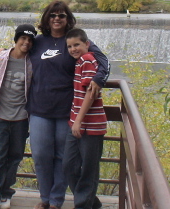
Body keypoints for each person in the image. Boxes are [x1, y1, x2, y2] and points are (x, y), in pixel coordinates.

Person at [26, 1, 109, 209]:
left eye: (61, 15)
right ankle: (45, 198)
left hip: (67, 111)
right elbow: (17, 53)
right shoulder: (37, 42)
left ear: (67, 18)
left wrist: (98, 80)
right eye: (52, 15)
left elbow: (102, 60)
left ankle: (56, 201)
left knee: (64, 159)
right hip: (39, 109)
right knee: (41, 157)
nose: (56, 18)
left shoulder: (76, 40)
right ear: (46, 18)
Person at [0, 24, 37, 209]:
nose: (26, 42)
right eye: (23, 38)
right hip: (0, 117)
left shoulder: (32, 62)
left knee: (14, 158)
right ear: (16, 39)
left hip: (21, 119)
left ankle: (5, 192)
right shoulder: (3, 57)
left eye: (29, 40)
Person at [63, 28, 107, 209]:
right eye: (70, 46)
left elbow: (91, 93)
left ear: (87, 44)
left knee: (88, 169)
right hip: (76, 124)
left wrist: (79, 120)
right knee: (68, 166)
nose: (73, 49)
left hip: (91, 126)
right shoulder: (80, 61)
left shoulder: (88, 60)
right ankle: (91, 203)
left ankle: (83, 205)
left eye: (77, 45)